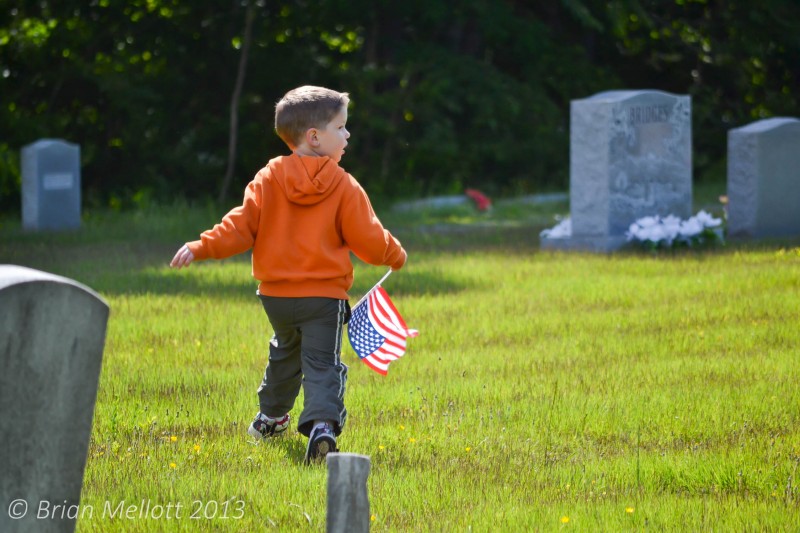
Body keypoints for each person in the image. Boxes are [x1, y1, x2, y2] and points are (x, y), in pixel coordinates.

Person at [170, 85, 407, 463]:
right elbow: (369, 238)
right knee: (321, 362)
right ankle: (323, 426)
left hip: (276, 298)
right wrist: (394, 254)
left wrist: (201, 246)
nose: (348, 135)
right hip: (323, 300)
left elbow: (239, 226)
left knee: (285, 353)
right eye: (341, 127)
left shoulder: (269, 177)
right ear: (315, 137)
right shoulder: (344, 185)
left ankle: (270, 417)